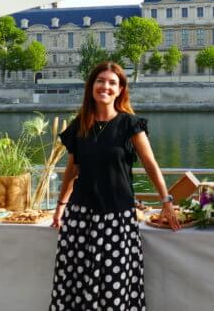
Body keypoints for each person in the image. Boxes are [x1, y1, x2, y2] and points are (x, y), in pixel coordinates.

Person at [49, 61, 179, 311]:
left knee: (114, 288)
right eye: (100, 81)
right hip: (80, 216)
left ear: (120, 90)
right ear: (91, 86)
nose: (105, 87)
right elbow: (72, 169)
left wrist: (166, 202)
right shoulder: (80, 125)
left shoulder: (130, 124)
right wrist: (60, 206)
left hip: (116, 218)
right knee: (76, 283)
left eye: (112, 83)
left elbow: (151, 165)